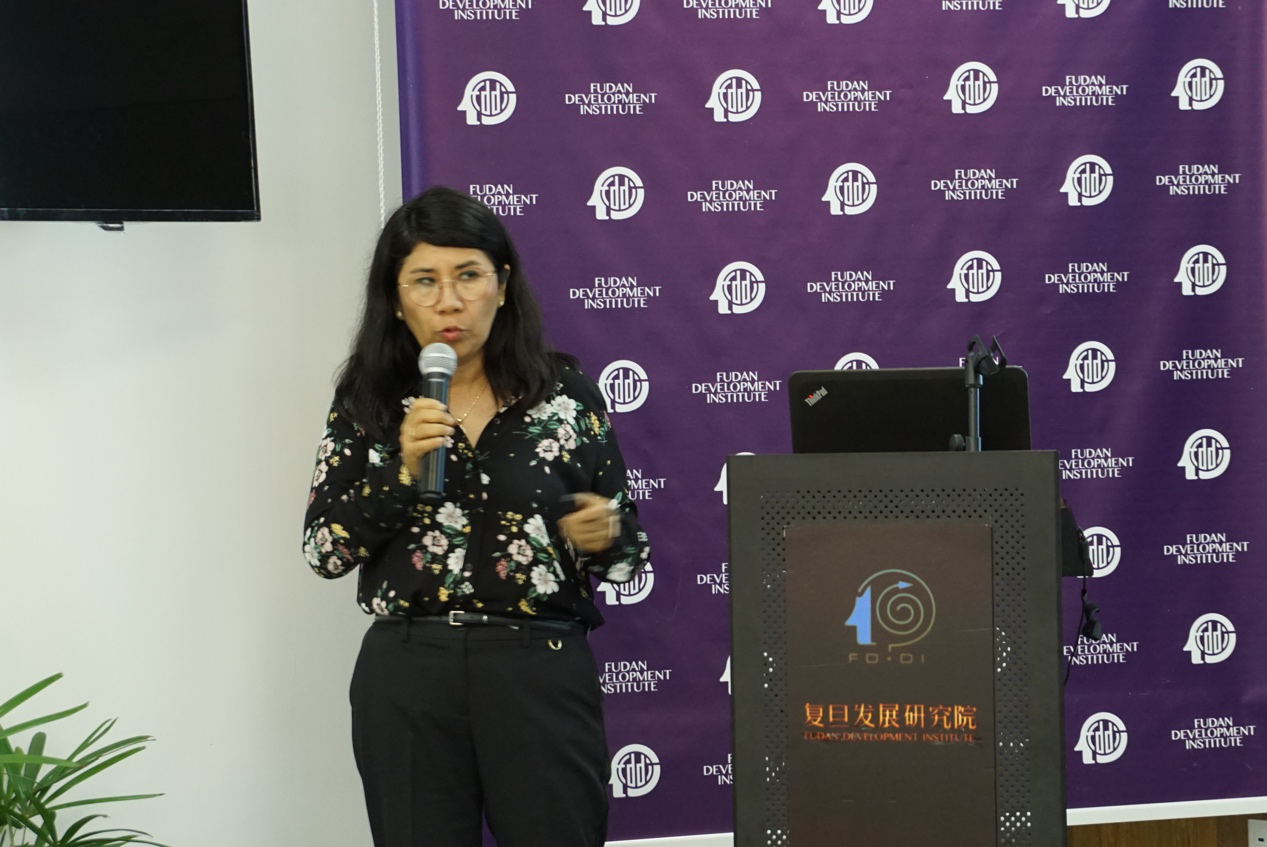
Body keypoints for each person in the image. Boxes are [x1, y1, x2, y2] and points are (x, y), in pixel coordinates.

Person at [302, 186, 650, 847]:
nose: (448, 301)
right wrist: (401, 475)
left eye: (468, 275)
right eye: (424, 281)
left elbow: (631, 554)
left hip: (537, 667)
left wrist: (606, 535)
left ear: (502, 285)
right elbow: (324, 550)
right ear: (395, 299)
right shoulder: (367, 399)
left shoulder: (566, 395)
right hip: (409, 672)